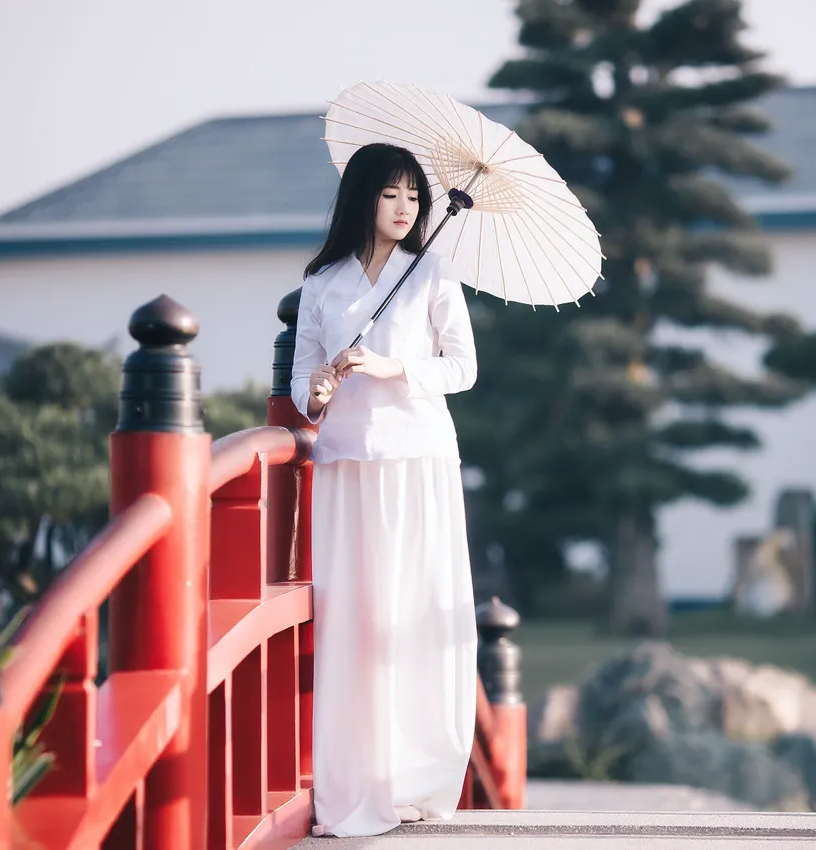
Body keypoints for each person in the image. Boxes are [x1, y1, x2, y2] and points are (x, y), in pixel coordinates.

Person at [290, 142, 478, 838]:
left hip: (417, 461)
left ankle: (416, 777)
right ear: (362, 197)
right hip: (347, 465)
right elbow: (302, 383)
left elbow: (463, 368)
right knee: (354, 620)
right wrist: (315, 391)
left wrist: (392, 365)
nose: (404, 209)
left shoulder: (430, 271)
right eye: (390, 194)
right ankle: (356, 780)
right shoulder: (322, 282)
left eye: (413, 198)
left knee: (415, 612)